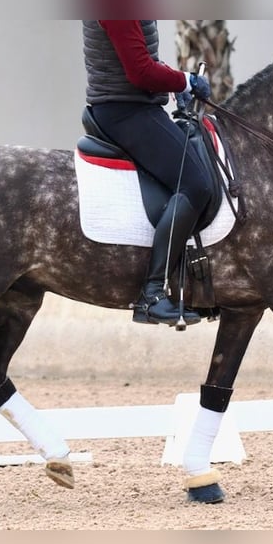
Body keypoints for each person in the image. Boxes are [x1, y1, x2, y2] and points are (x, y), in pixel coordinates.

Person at [82, 20, 213, 326]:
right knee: (196, 184)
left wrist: (174, 82)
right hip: (125, 112)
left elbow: (139, 55)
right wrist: (185, 81)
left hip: (135, 107)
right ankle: (153, 293)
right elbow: (139, 71)